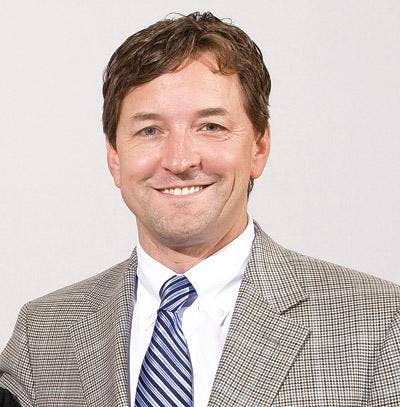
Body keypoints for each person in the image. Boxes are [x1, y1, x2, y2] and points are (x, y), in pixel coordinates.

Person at [1, 11, 400, 407]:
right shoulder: (44, 334)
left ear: (259, 147)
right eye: (149, 130)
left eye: (210, 127)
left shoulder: (379, 323)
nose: (179, 160)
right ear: (115, 157)